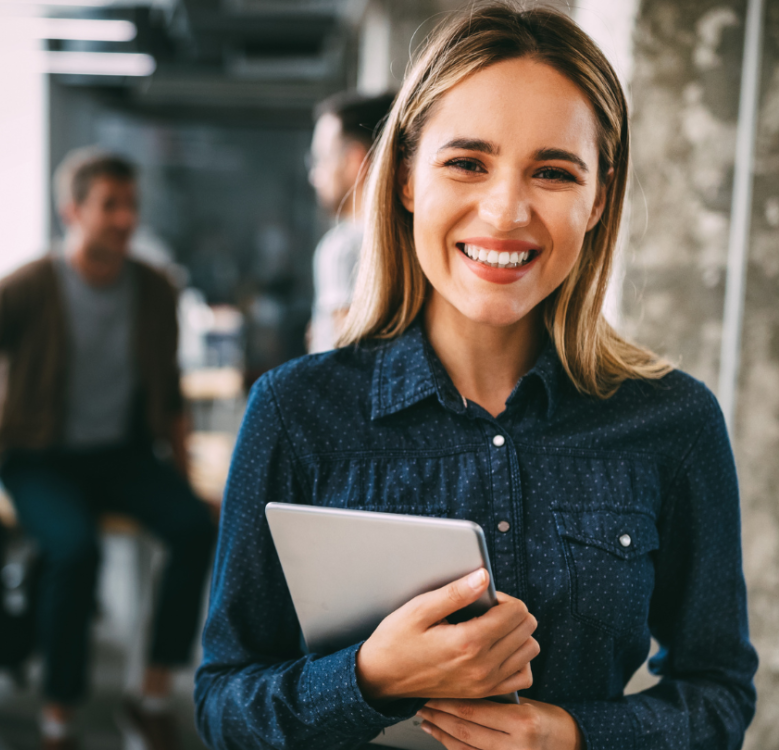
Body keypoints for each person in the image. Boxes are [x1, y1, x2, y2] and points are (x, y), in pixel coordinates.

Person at [195, 5, 757, 750]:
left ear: (597, 199)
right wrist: (365, 679)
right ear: (402, 179)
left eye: (553, 172)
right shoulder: (297, 411)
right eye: (467, 162)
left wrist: (572, 736)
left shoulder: (674, 422)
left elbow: (718, 697)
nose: (505, 210)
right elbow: (224, 703)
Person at [0, 148, 216, 750]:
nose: (124, 219)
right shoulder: (27, 286)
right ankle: (58, 717)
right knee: (74, 550)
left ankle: (152, 694)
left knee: (193, 526)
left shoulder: (156, 290)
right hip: (37, 456)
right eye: (110, 205)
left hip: (121, 454)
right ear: (72, 211)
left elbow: (168, 397)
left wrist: (184, 477)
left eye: (130, 205)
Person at [307, 91, 395, 353]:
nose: (314, 175)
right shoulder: (408, 238)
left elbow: (347, 356)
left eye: (320, 159)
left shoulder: (342, 248)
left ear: (355, 160)